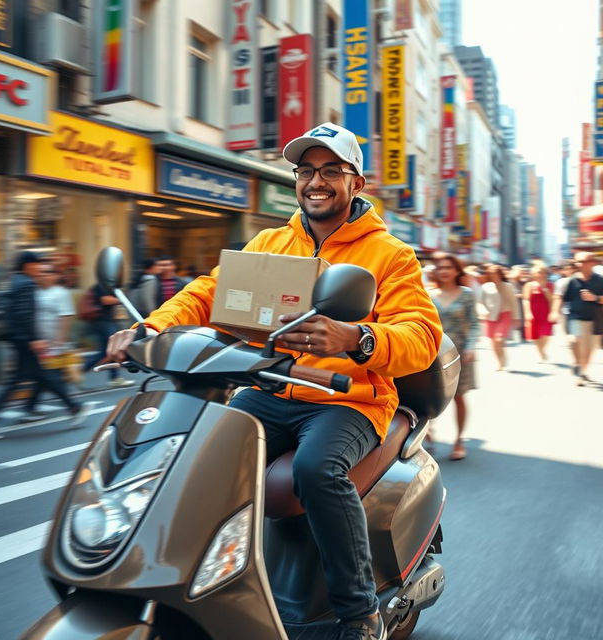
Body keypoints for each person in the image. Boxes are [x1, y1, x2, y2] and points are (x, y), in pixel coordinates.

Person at [106, 122, 442, 639]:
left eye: (332, 170)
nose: (317, 181)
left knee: (316, 469)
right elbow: (208, 293)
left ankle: (360, 615)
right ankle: (193, 581)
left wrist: (356, 338)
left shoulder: (390, 254)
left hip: (348, 401)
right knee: (190, 451)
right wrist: (149, 326)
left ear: (358, 183)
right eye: (306, 171)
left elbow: (420, 335)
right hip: (268, 390)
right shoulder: (271, 241)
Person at [0, 252, 89, 441]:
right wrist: (33, 339)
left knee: (28, 378)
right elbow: (24, 314)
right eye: (36, 264)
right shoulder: (26, 284)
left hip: (19, 340)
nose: (39, 269)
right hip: (25, 340)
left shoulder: (15, 281)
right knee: (36, 377)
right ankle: (75, 407)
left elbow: (20, 314)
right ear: (27, 265)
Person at [24, 263, 95, 420]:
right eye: (41, 272)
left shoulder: (60, 293)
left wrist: (59, 341)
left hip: (53, 344)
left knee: (47, 375)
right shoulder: (34, 292)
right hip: (39, 343)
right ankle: (32, 407)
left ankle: (73, 406)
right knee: (44, 376)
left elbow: (66, 317)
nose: (43, 275)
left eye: (48, 272)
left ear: (55, 275)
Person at [429, 254, 480, 461]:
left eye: (449, 267)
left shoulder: (467, 295)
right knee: (428, 396)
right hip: (432, 353)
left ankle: (459, 440)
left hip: (460, 353)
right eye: (440, 267)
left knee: (458, 397)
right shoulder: (429, 295)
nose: (444, 271)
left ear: (457, 271)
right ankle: (427, 432)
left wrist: (470, 346)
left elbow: (475, 323)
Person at [560, 252, 603, 386]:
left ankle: (583, 371)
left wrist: (595, 298)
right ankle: (578, 366)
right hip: (575, 317)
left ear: (592, 263)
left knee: (589, 351)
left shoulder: (600, 280)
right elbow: (561, 298)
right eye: (578, 262)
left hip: (596, 320)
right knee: (574, 340)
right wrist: (555, 312)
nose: (580, 264)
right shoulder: (571, 281)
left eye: (583, 261)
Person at [81, 283, 135, 388]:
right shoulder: (102, 285)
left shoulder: (106, 285)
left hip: (103, 321)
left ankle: (81, 370)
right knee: (113, 347)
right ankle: (115, 378)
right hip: (103, 321)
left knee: (104, 352)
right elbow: (105, 300)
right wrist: (123, 299)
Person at [479, 264, 520, 371]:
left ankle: (503, 359)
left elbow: (513, 302)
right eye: (491, 274)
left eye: (495, 273)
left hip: (505, 315)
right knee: (493, 342)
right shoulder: (485, 287)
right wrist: (483, 311)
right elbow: (480, 302)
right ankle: (500, 361)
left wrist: (516, 317)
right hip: (491, 316)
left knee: (499, 339)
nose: (493, 276)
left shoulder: (508, 286)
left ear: (500, 274)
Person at [522, 264, 554, 363]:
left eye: (543, 272)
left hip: (546, 313)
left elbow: (552, 299)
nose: (541, 275)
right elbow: (526, 300)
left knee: (546, 334)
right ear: (534, 274)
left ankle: (542, 351)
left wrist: (544, 288)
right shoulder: (529, 285)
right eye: (539, 272)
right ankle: (542, 354)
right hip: (534, 312)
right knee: (536, 335)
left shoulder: (550, 285)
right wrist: (527, 313)